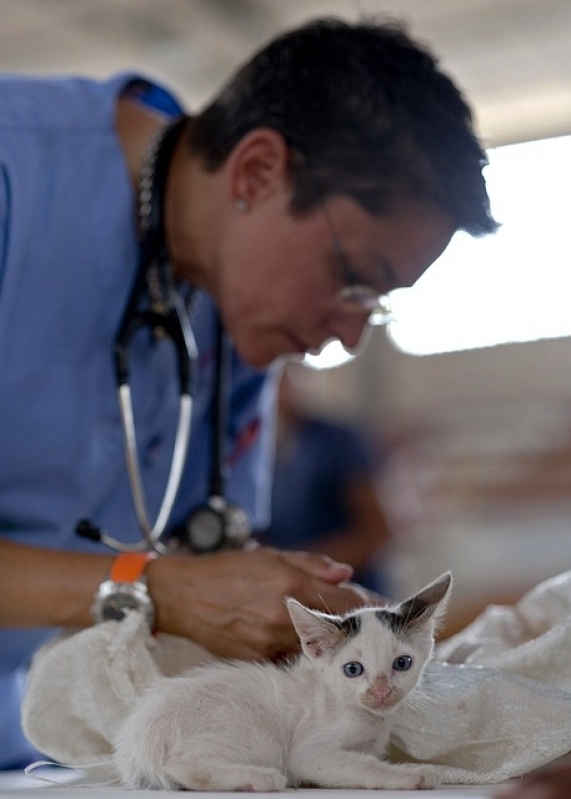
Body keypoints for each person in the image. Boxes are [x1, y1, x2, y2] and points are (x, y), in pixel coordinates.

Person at [0, 16, 497, 768]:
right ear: (256, 172)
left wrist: (285, 607)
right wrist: (151, 588)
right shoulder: (17, 178)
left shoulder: (237, 315)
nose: (350, 334)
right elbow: (164, 579)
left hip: (47, 745)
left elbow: (208, 543)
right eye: (353, 281)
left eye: (376, 305)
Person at [258, 364, 393, 595]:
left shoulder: (337, 442)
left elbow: (375, 531)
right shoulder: (258, 450)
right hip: (295, 595)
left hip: (350, 592)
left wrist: (304, 569)